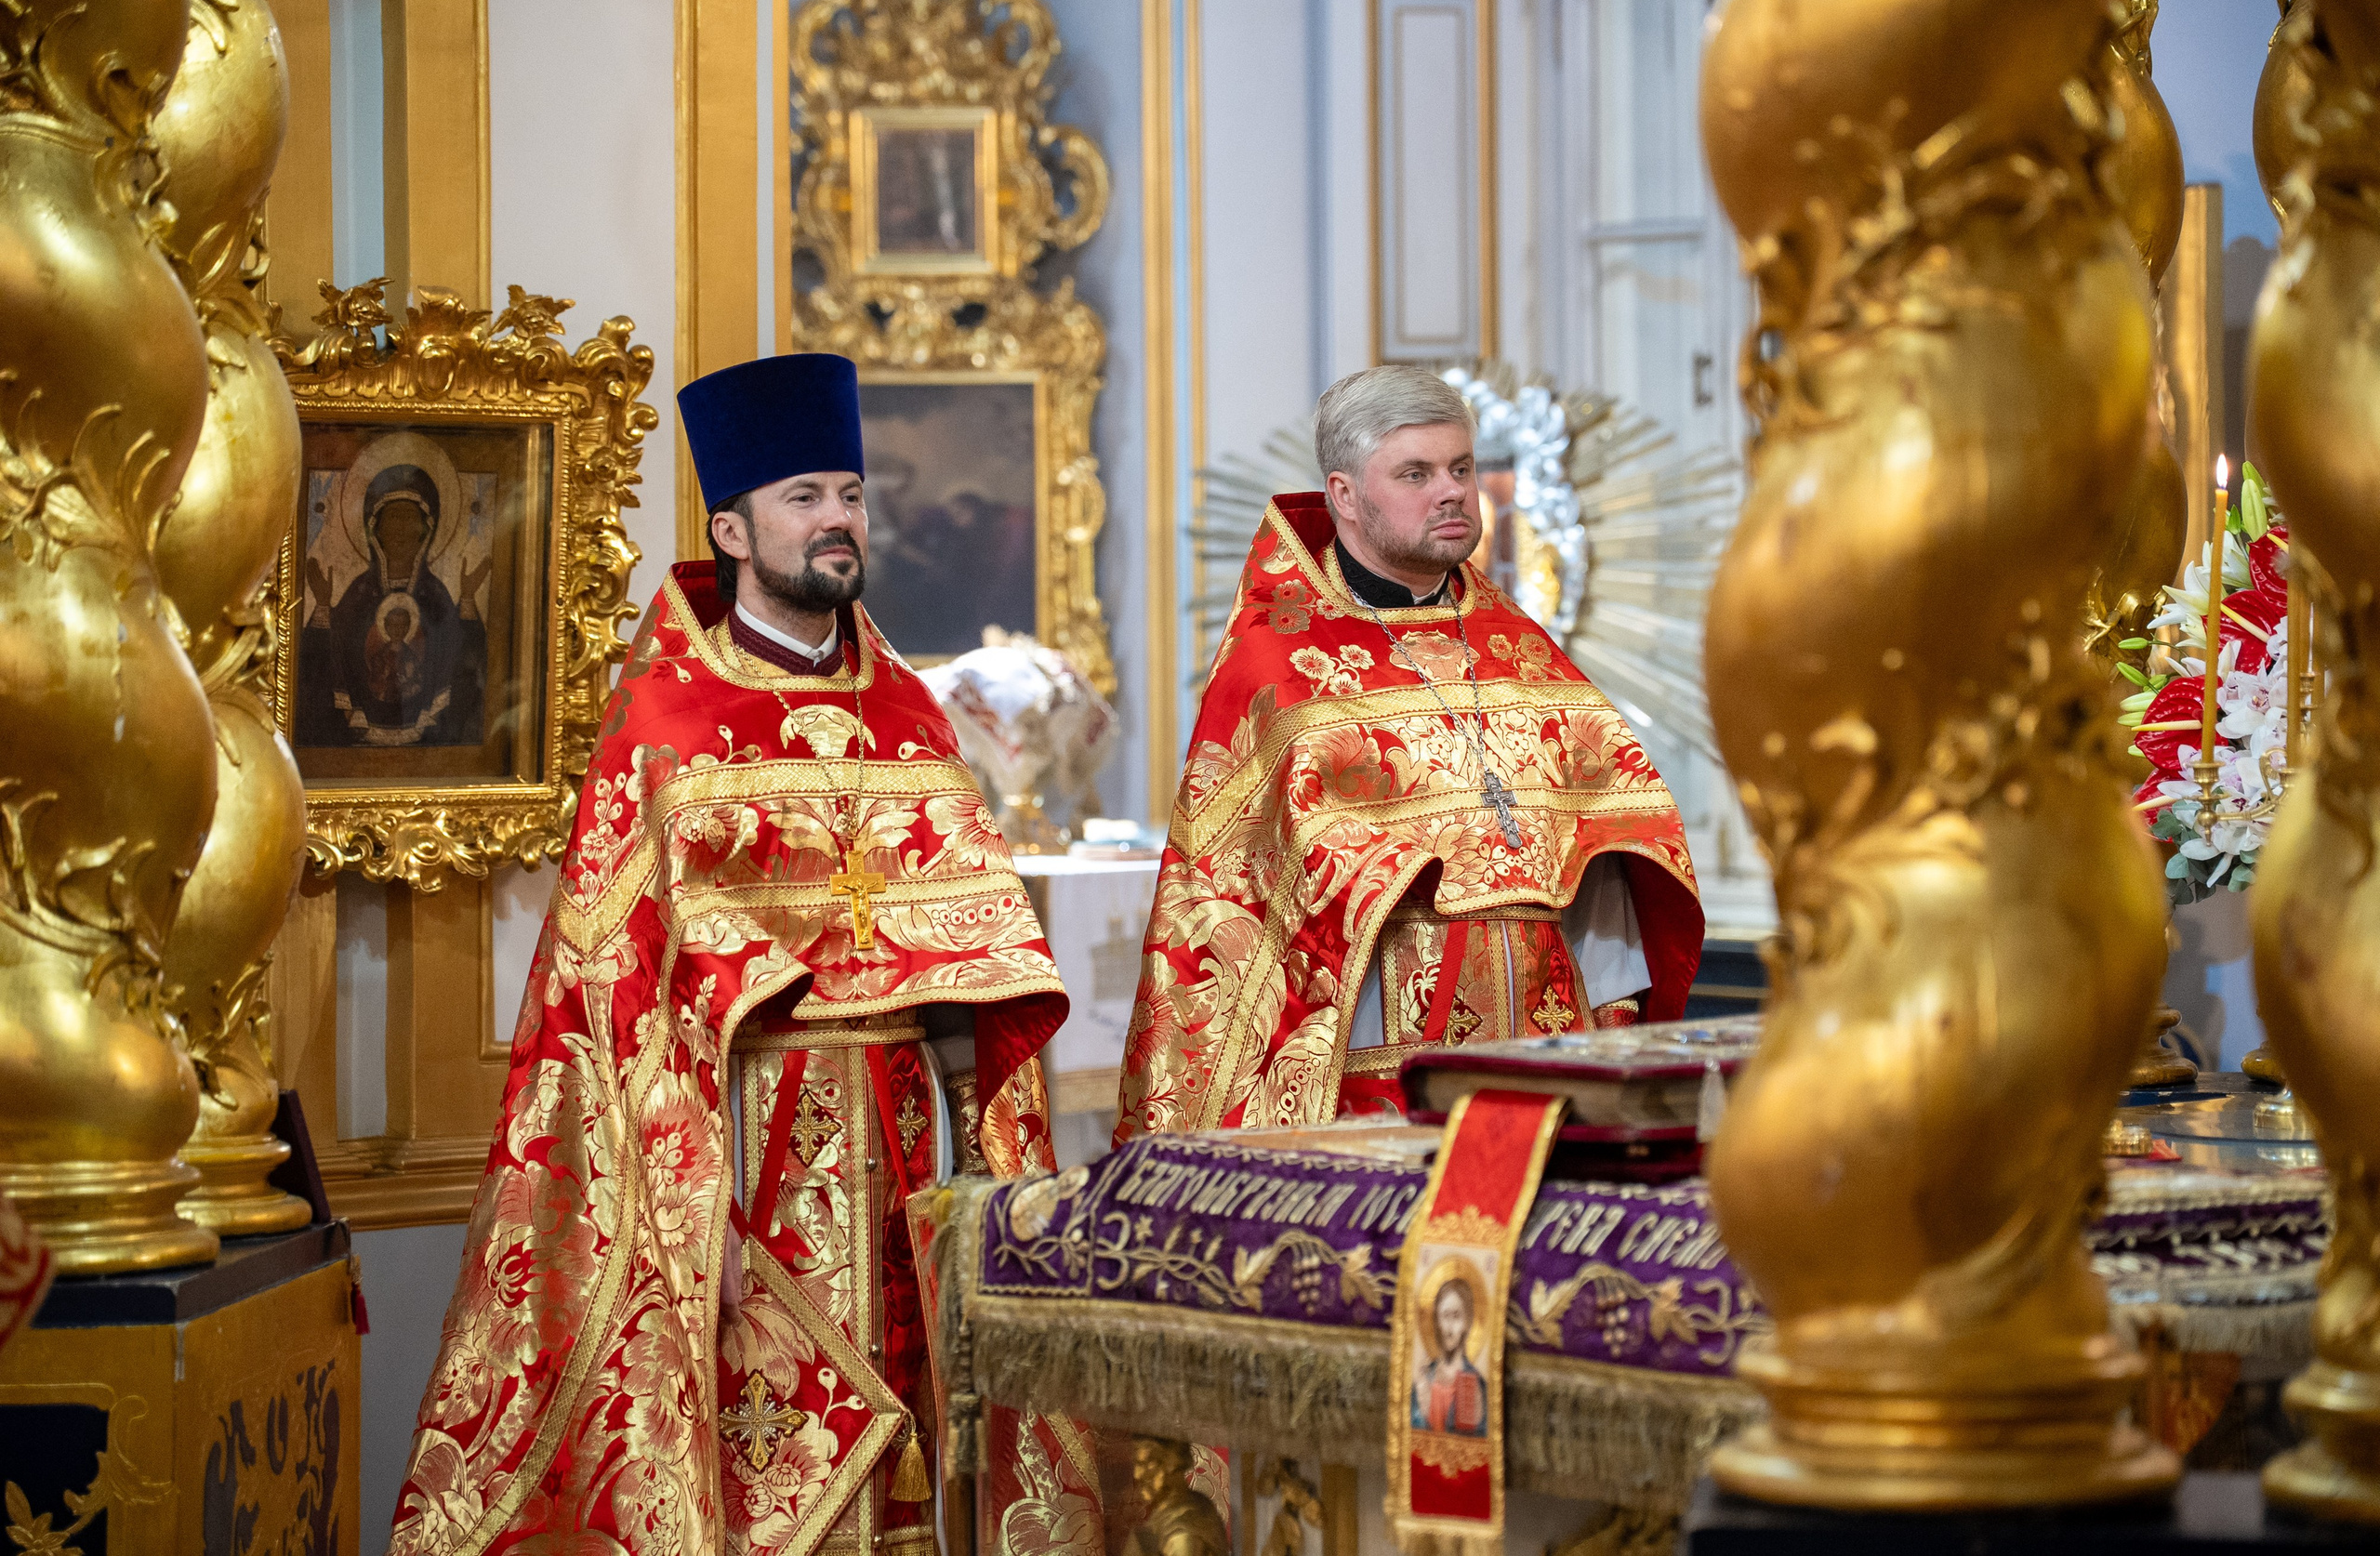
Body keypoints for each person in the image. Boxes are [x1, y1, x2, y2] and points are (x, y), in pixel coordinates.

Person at [387, 353, 1101, 1556]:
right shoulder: (668, 722)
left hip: (908, 1145)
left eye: (850, 496)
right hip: (748, 1151)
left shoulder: (909, 715)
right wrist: (686, 1213)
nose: (837, 520)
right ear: (732, 528)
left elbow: (973, 963)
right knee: (766, 1466)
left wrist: (985, 1156)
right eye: (804, 496)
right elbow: (614, 1003)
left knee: (915, 1444)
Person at [1116, 364, 1704, 1138]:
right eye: (1416, 474)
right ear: (1345, 493)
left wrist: (1610, 1038)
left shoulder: (1523, 652)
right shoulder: (1281, 665)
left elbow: (1609, 853)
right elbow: (1239, 902)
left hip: (1548, 1055)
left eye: (1461, 468)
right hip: (1375, 1071)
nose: (1452, 491)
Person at [324, 465, 480, 745]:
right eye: (393, 517)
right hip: (359, 731)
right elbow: (331, 653)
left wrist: (467, 599)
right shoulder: (359, 592)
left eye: (409, 518)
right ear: (376, 529)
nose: (400, 529)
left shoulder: (435, 594)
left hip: (430, 736)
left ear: (425, 530)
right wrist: (323, 606)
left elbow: (461, 658)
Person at [1410, 1275, 1488, 1436]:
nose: (1449, 1328)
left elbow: (1474, 1440)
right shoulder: (1424, 1379)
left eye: (1456, 1316)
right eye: (1445, 1316)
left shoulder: (1474, 1382)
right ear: (1437, 1321)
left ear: (1467, 1322)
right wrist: (1422, 1410)